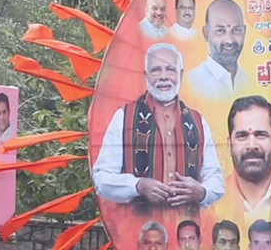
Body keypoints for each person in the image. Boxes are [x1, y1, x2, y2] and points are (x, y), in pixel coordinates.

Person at [92, 43, 225, 211]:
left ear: (180, 74)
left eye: (170, 69)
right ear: (146, 75)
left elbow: (215, 179)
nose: (164, 77)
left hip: (187, 224)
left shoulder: (198, 121)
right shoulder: (124, 116)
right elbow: (102, 178)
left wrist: (202, 192)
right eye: (156, 70)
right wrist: (137, 186)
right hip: (137, 225)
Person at [220, 96, 271, 223]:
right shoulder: (211, 206)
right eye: (242, 136)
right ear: (229, 145)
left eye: (260, 135)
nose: (251, 145)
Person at [186, 0, 249, 101]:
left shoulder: (251, 82)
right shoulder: (190, 83)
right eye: (220, 31)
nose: (229, 40)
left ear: (244, 31)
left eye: (236, 30)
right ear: (206, 33)